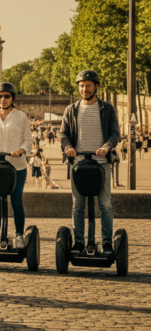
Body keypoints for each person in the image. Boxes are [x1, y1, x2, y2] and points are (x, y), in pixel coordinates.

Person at [60, 70, 119, 252]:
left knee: (105, 206)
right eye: (81, 86)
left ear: (96, 87)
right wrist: (68, 147)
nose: (84, 89)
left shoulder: (107, 109)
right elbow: (63, 134)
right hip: (78, 164)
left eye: (88, 85)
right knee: (78, 205)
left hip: (101, 164)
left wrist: (107, 147)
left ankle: (107, 241)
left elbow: (114, 133)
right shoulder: (71, 110)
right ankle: (79, 241)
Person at [0, 82, 31, 249]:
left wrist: (21, 150)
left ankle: (18, 235)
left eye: (6, 96)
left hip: (16, 166)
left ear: (12, 98)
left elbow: (28, 140)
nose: (3, 99)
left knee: (16, 201)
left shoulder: (21, 117)